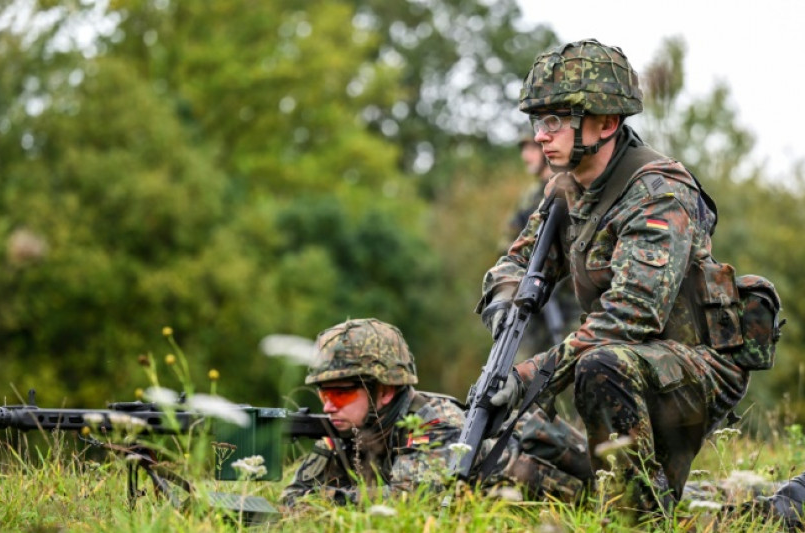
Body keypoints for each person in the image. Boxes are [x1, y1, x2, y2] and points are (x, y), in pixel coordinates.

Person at [477, 39, 751, 515]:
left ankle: (633, 519)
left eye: (555, 120)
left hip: (695, 366)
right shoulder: (568, 189)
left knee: (599, 364)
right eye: (537, 121)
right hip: (630, 362)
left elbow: (630, 316)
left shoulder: (659, 193)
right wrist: (503, 303)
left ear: (606, 122)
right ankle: (766, 506)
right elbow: (517, 261)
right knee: (533, 432)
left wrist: (531, 375)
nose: (541, 136)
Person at [280, 318, 465, 506]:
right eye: (324, 395)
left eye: (340, 395)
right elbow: (291, 498)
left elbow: (410, 501)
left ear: (384, 391)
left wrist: (325, 500)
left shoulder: (438, 424)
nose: (328, 407)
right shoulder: (347, 427)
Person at [504, 136, 582, 358]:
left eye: (530, 149)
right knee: (524, 366)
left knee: (569, 361)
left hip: (571, 302)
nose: (525, 156)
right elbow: (508, 242)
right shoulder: (530, 197)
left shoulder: (574, 186)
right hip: (533, 301)